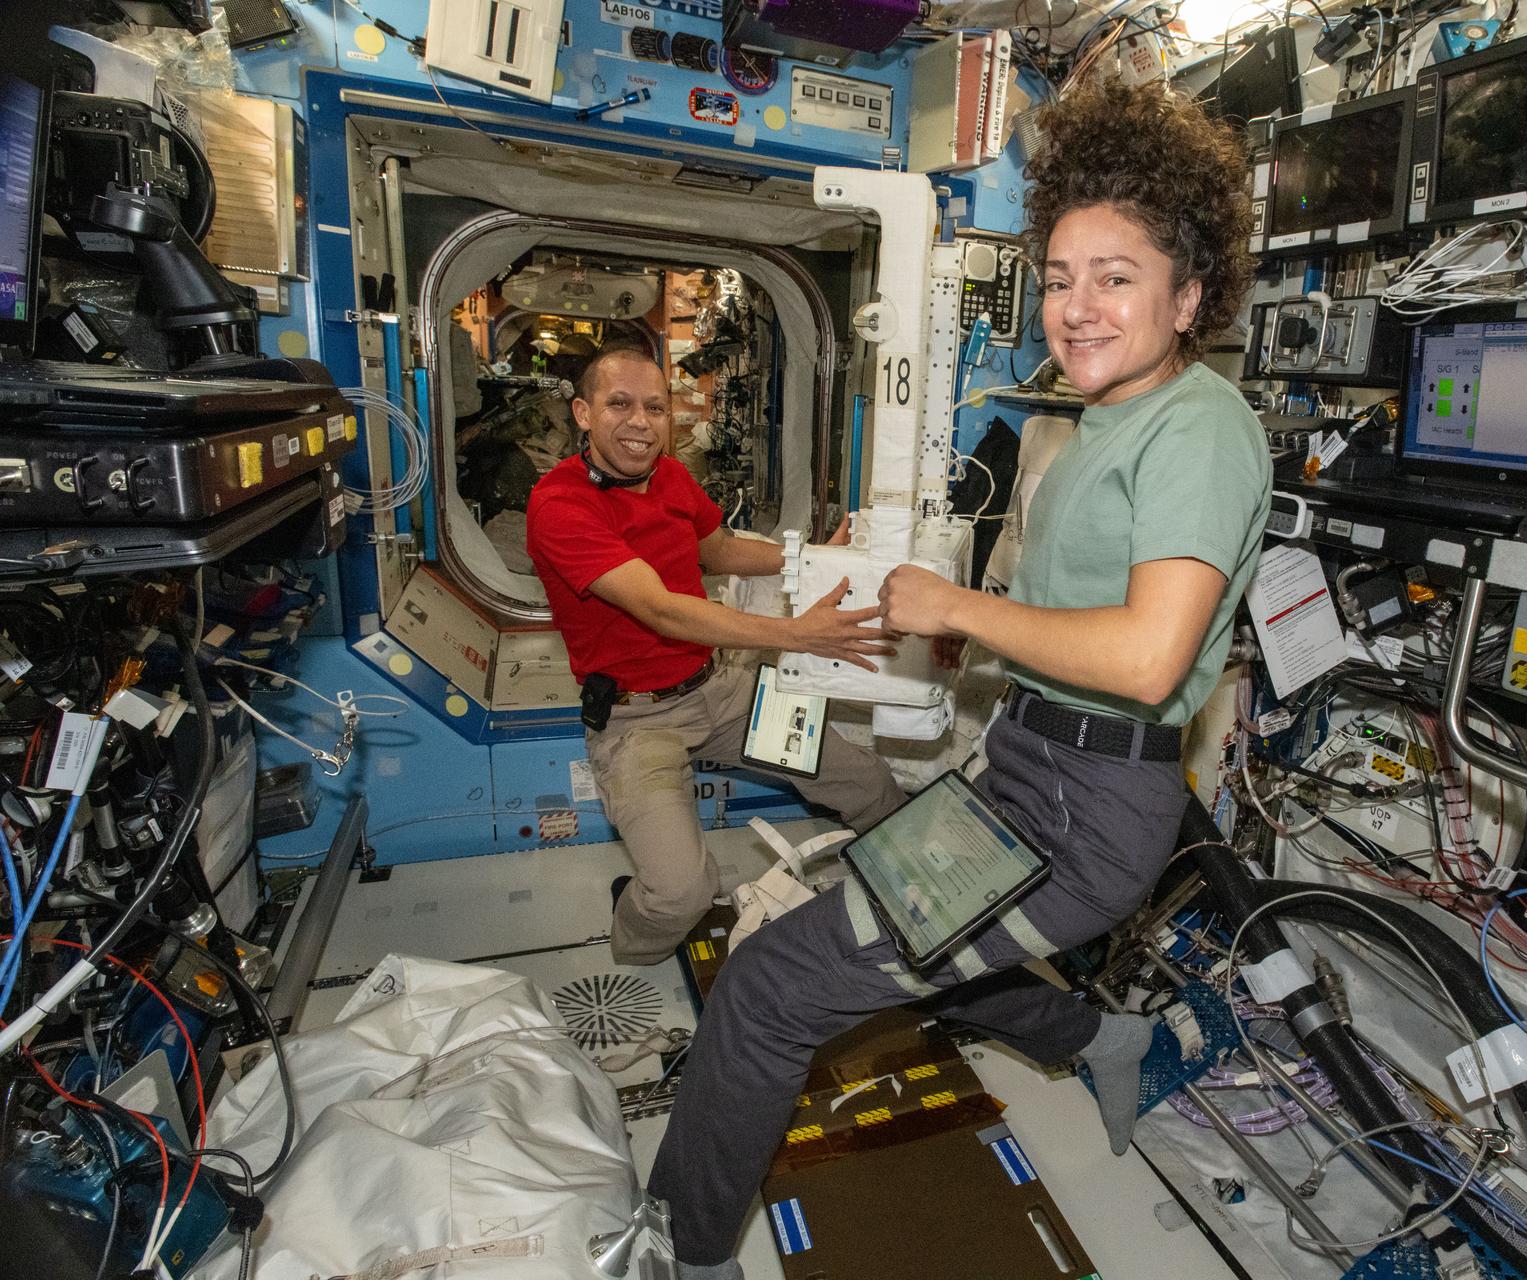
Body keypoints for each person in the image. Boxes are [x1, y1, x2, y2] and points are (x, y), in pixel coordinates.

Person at [645, 80, 1267, 1278]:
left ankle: (683, 1248)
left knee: (772, 983)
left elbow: (1151, 656)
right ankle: (1100, 1037)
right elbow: (1083, 614)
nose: (1076, 307)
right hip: (1034, 761)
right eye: (1061, 276)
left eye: (1117, 277)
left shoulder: (1199, 427)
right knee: (912, 936)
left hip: (1085, 810)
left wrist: (958, 607)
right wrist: (973, 644)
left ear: (1190, 295)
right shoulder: (1108, 419)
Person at [525, 344, 907, 967]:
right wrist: (795, 634)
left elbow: (720, 551)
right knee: (681, 891)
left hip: (718, 691)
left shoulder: (670, 477)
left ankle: (911, 895)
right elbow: (661, 609)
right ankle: (634, 953)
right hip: (636, 721)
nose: (640, 422)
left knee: (867, 781)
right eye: (619, 404)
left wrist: (812, 558)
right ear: (583, 414)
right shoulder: (559, 505)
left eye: (655, 407)